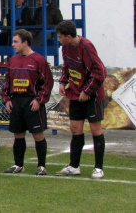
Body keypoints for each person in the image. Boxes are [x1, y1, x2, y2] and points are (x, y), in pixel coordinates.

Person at [55, 20, 107, 179]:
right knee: (75, 129)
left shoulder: (86, 47)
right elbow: (67, 66)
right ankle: (74, 166)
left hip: (92, 96)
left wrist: (87, 91)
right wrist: (63, 82)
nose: (58, 39)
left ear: (69, 36)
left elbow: (100, 73)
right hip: (75, 93)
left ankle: (98, 168)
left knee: (95, 130)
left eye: (60, 37)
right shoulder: (65, 48)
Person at [1, 29, 53, 175]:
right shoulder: (13, 60)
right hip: (16, 102)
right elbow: (7, 82)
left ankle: (41, 166)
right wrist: (6, 100)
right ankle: (18, 164)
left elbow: (47, 83)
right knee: (18, 134)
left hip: (32, 102)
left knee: (38, 134)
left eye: (16, 41)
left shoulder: (39, 60)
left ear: (25, 42)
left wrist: (39, 100)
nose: (13, 44)